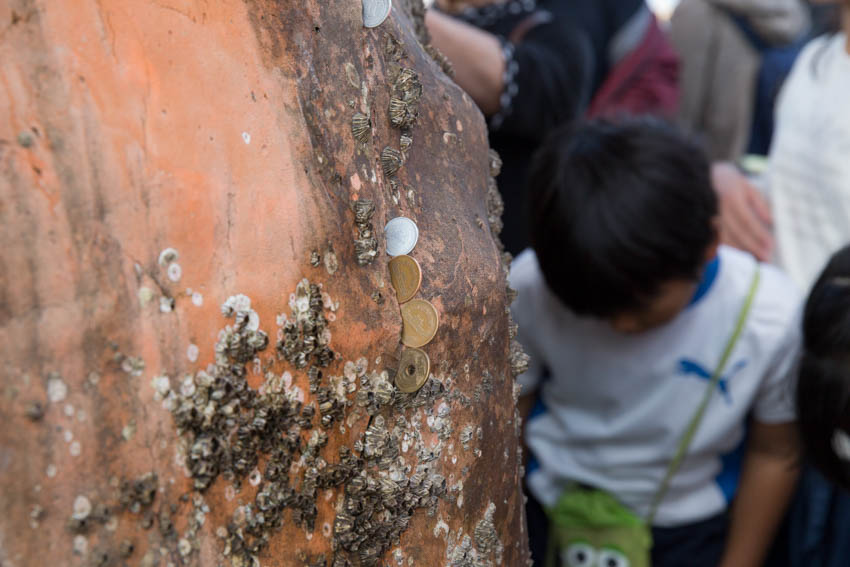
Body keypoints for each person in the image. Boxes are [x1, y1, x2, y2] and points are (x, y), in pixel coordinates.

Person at [512, 117, 801, 566]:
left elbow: (775, 450)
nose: (621, 327)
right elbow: (514, 408)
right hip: (548, 507)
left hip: (684, 531)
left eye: (642, 308)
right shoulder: (533, 284)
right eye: (593, 311)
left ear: (709, 243)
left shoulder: (768, 317)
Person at [425, 0, 678, 255]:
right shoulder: (440, 14)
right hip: (435, 235)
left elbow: (540, 89)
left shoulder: (554, 18)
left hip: (524, 249)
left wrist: (400, 16)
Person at [670, 0, 810, 161]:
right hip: (778, 155)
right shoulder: (792, 11)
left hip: (719, 159)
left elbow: (684, 108)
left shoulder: (695, 10)